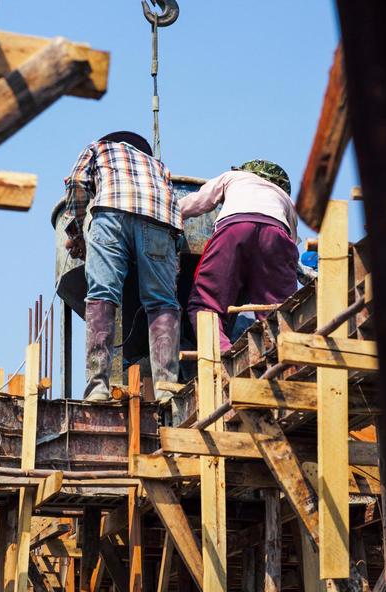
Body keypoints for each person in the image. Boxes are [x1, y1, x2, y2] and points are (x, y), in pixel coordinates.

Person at [64, 131, 182, 402]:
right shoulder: (159, 166)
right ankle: (165, 389)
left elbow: (77, 182)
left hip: (110, 213)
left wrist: (78, 230)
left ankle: (97, 387)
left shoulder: (99, 147)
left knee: (102, 294)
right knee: (162, 301)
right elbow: (173, 201)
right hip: (158, 220)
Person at [179, 160, 298, 354]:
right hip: (276, 236)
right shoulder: (285, 199)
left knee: (206, 305)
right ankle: (284, 354)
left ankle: (222, 355)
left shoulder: (233, 177)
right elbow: (290, 246)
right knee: (278, 309)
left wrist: (168, 212)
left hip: (234, 229)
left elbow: (197, 203)